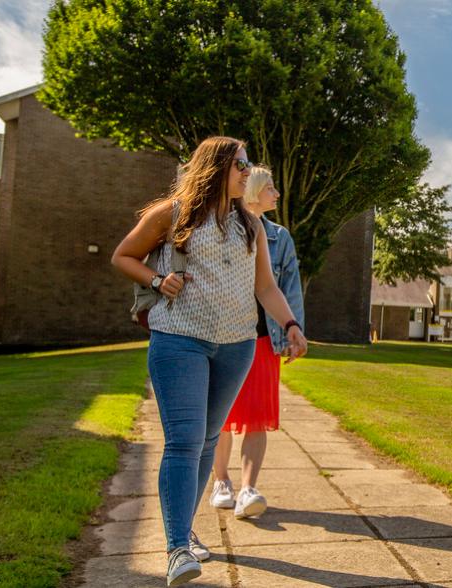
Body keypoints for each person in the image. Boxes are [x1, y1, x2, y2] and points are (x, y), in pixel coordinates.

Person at [112, 136, 308, 587]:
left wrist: (291, 325)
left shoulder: (251, 226)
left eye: (247, 163)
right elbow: (123, 256)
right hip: (179, 340)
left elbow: (266, 288)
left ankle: (186, 530)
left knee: (204, 441)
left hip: (236, 345)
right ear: (217, 168)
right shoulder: (172, 214)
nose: (247, 171)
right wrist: (158, 279)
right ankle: (178, 546)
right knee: (183, 441)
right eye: (241, 164)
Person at [210, 166, 304, 519]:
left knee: (257, 418)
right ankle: (221, 482)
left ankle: (249, 488)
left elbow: (287, 288)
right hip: (222, 336)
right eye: (271, 187)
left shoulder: (280, 237)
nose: (277, 194)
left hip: (264, 339)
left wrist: (294, 330)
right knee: (220, 416)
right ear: (252, 190)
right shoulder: (220, 228)